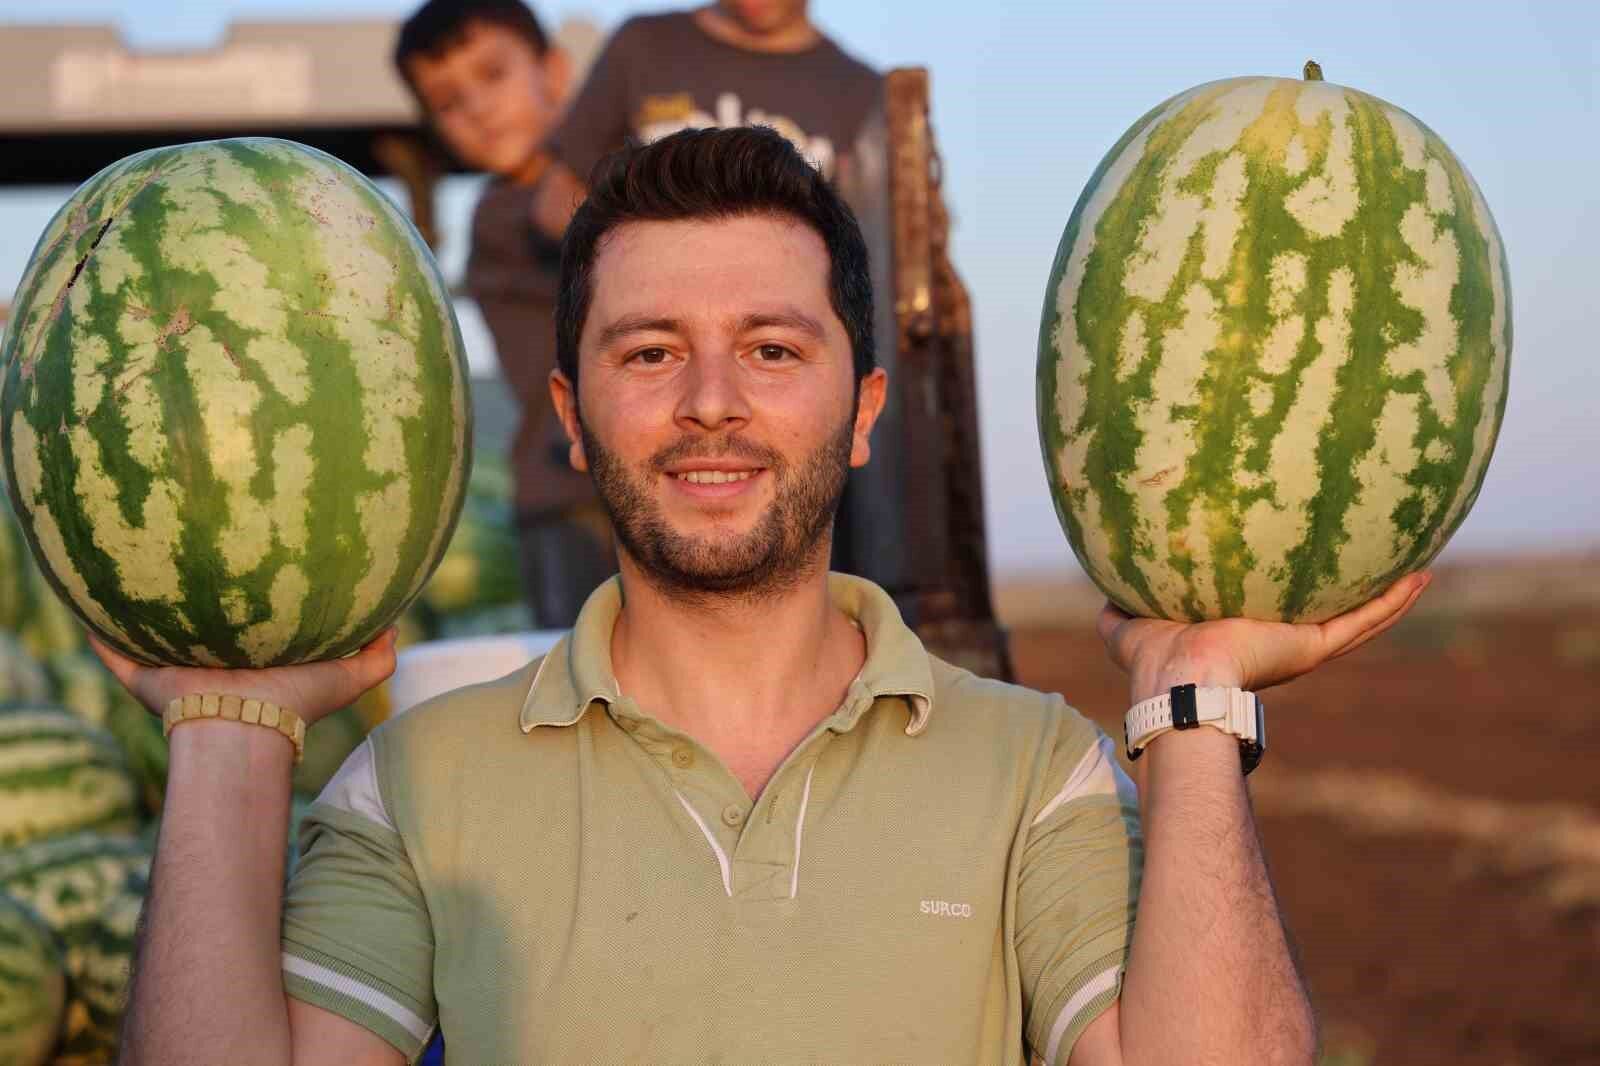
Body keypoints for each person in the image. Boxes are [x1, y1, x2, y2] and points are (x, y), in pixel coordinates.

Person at [100, 128, 1427, 1064]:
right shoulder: (416, 784)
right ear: (570, 413)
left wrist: (1191, 697)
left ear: (861, 411)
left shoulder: (1040, 770)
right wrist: (228, 721)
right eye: (652, 348)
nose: (712, 401)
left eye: (773, 347)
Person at [393, 0, 617, 627]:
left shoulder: (588, 178)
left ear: (556, 73)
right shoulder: (503, 217)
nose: (477, 109)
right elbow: (584, 220)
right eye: (448, 102)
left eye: (493, 76)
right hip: (568, 499)